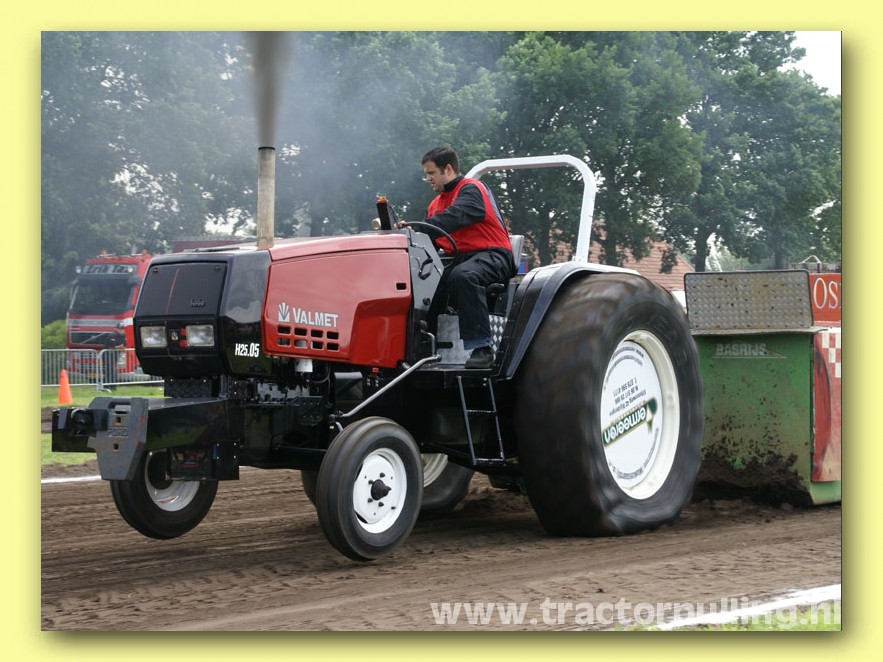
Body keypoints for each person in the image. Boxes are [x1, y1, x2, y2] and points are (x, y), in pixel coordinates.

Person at [404, 146, 515, 369]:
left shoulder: (472, 189)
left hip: (493, 255)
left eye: (431, 173)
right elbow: (429, 241)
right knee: (425, 283)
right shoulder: (435, 205)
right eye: (426, 174)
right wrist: (407, 236)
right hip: (460, 260)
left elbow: (456, 216)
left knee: (464, 276)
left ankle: (482, 348)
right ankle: (421, 347)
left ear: (448, 169)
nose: (428, 179)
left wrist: (418, 227)